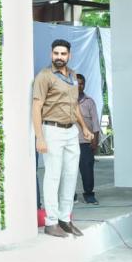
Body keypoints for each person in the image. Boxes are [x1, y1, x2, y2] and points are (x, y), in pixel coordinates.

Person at [32, 39, 94, 238]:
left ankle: (65, 219)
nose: (59, 57)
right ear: (51, 54)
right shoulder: (44, 76)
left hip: (71, 132)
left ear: (69, 55)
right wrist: (39, 137)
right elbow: (36, 107)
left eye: (63, 54)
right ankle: (51, 222)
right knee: (53, 175)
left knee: (70, 175)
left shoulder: (74, 76)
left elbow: (75, 105)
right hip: (52, 130)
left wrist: (84, 127)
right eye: (56, 53)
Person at [76, 74, 100, 205]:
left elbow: (95, 122)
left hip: (85, 143)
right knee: (69, 172)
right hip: (70, 142)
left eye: (81, 83)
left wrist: (95, 140)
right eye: (77, 83)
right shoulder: (67, 101)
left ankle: (89, 194)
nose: (79, 86)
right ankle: (71, 196)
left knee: (87, 170)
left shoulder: (89, 101)